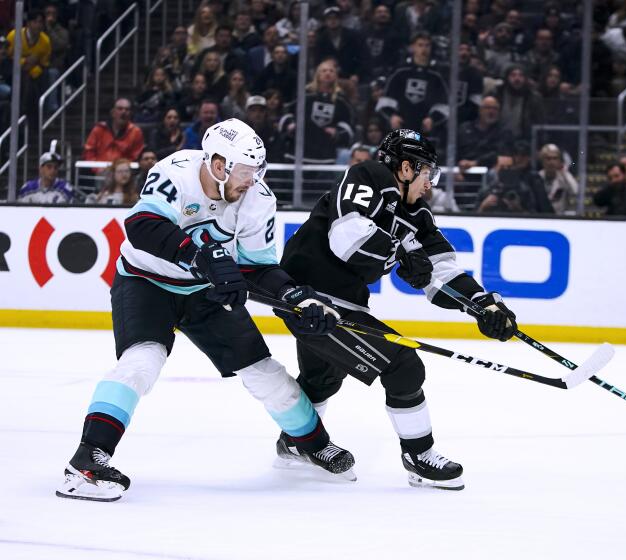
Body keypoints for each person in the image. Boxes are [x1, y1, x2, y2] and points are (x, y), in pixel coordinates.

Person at [56, 119, 355, 502]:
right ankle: (86, 462)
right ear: (218, 164)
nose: (252, 180)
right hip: (145, 282)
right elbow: (142, 225)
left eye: (257, 171)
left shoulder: (258, 199)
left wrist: (296, 296)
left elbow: (257, 267)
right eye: (246, 171)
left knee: (264, 371)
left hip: (204, 293)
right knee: (141, 362)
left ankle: (309, 443)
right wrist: (198, 256)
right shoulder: (175, 171)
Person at [275, 129, 518, 490]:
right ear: (406, 167)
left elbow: (441, 271)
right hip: (308, 299)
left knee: (323, 378)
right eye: (427, 173)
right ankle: (419, 456)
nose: (430, 184)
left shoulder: (417, 214)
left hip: (342, 301)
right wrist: (399, 252)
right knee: (403, 366)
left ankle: (296, 439)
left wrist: (484, 305)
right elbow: (347, 236)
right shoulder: (368, 175)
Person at [376, 32, 449, 138]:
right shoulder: (400, 72)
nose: (424, 49)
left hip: (426, 132)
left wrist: (433, 119)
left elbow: (443, 105)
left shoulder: (436, 76)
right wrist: (392, 116)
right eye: (420, 45)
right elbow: (386, 101)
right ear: (412, 47)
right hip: (400, 130)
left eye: (427, 45)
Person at [82, 98, 145, 163]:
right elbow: (89, 151)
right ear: (112, 112)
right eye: (120, 109)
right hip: (99, 169)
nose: (124, 112)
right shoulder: (99, 129)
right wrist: (96, 168)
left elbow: (136, 156)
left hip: (124, 170)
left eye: (127, 109)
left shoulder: (136, 132)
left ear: (130, 113)